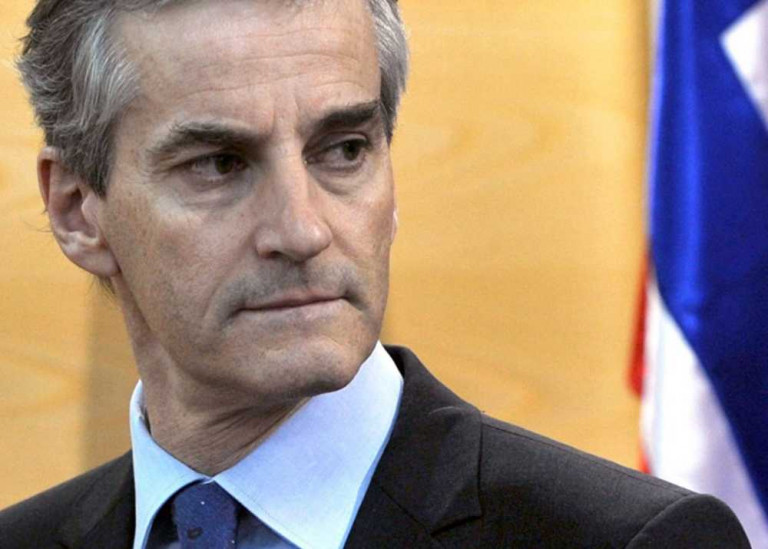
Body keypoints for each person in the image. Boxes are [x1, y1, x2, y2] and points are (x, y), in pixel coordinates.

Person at [0, 0, 751, 547]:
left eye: (344, 150)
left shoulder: (628, 541)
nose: (303, 229)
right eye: (219, 164)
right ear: (76, 210)